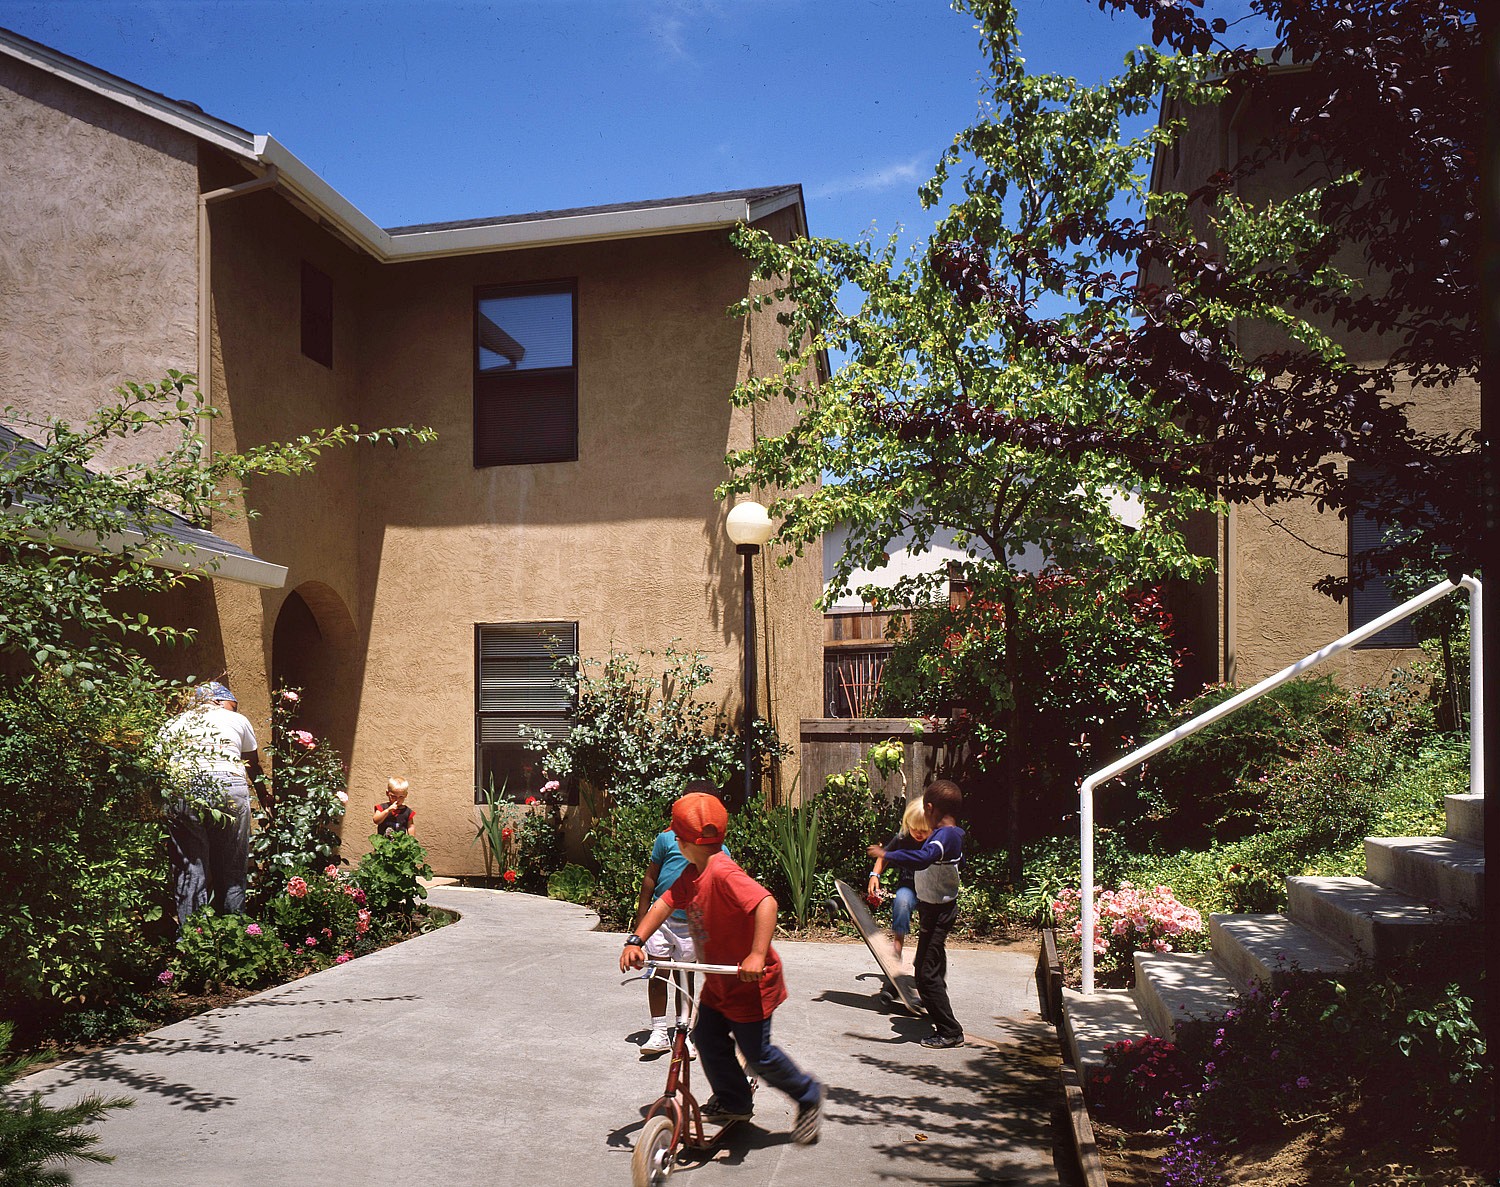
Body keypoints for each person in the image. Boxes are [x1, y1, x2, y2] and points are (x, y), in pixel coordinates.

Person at [621, 790, 823, 1145]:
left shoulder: (723, 871)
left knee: (758, 1055)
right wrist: (636, 941)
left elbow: (766, 903)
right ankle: (735, 1100)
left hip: (750, 984)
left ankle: (807, 1094)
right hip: (718, 981)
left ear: (681, 841)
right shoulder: (690, 873)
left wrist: (757, 955)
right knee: (707, 1038)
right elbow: (663, 905)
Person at [161, 681, 273, 928]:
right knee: (232, 863)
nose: (235, 709)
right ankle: (235, 933)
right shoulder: (238, 720)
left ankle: (192, 941)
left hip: (184, 787)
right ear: (219, 701)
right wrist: (264, 795)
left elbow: (158, 764)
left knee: (190, 866)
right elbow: (251, 764)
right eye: (234, 704)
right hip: (229, 785)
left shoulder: (173, 723)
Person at [632, 779, 729, 1057]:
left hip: (692, 925)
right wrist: (642, 920)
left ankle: (683, 1033)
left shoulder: (718, 850)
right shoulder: (665, 839)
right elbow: (650, 879)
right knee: (659, 974)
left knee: (685, 978)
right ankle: (659, 1031)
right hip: (661, 921)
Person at [867, 778, 966, 1049]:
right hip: (933, 908)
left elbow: (923, 859)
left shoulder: (946, 836)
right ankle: (938, 1006)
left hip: (939, 912)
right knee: (927, 964)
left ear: (931, 807)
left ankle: (950, 1031)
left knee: (924, 974)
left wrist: (886, 854)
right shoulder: (949, 833)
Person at [866, 797, 931, 967]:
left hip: (931, 888)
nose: (918, 833)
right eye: (914, 828)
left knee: (930, 921)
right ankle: (897, 947)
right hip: (909, 885)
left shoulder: (935, 841)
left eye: (923, 830)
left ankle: (925, 955)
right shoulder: (903, 837)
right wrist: (875, 875)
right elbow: (884, 855)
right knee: (901, 903)